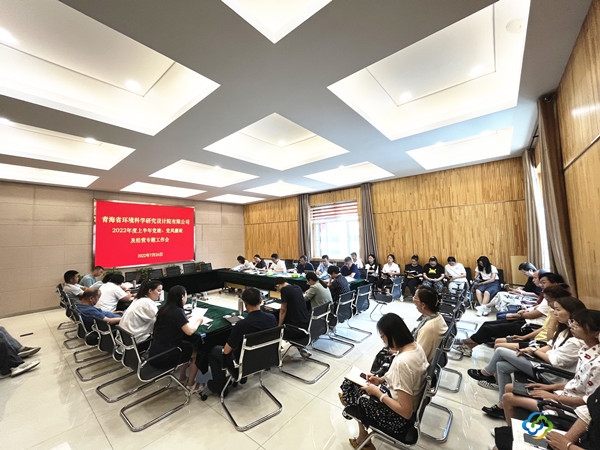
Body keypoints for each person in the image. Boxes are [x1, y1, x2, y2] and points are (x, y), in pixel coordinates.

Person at [469, 296, 586, 420]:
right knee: (501, 365)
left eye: (558, 310)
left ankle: (486, 373)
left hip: (551, 373)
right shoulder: (564, 331)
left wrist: (534, 351)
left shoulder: (576, 341)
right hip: (542, 361)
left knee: (500, 351)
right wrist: (530, 351)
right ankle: (502, 406)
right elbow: (550, 345)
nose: (554, 313)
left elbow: (554, 361)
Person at [339, 313, 428, 449]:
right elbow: (406, 379)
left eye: (382, 336)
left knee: (356, 393)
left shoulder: (402, 362)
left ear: (391, 335)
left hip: (398, 420)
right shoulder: (416, 347)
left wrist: (378, 393)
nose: (383, 341)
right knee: (354, 384)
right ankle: (362, 434)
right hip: (404, 401)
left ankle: (362, 438)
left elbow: (405, 412)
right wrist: (380, 380)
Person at [501, 309, 600, 426]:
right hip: (565, 393)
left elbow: (588, 401)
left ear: (596, 333)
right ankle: (514, 426)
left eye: (578, 325)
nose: (572, 326)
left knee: (508, 398)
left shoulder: (596, 365)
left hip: (573, 408)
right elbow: (576, 382)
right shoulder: (585, 350)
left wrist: (553, 396)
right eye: (573, 322)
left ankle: (512, 433)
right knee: (509, 387)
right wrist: (549, 387)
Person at [452, 272, 562, 356]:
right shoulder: (548, 295)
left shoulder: (553, 298)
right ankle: (468, 345)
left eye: (543, 282)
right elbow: (537, 308)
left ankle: (467, 343)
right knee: (487, 324)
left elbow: (534, 315)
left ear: (555, 283)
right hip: (527, 321)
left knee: (488, 328)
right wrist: (525, 311)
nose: (541, 285)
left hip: (530, 326)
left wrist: (518, 315)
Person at [207, 287, 277, 395]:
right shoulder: (271, 318)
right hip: (266, 359)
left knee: (214, 351)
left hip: (245, 362)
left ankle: (220, 386)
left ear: (245, 303)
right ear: (261, 301)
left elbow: (226, 351)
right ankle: (241, 376)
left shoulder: (242, 325)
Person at [148, 285, 203, 392]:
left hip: (154, 353)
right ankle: (191, 385)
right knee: (197, 353)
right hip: (165, 356)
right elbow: (190, 331)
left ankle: (182, 378)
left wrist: (185, 318)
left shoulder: (164, 309)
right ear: (182, 297)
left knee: (186, 347)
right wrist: (198, 321)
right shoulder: (177, 311)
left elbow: (172, 321)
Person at [412, 286, 448, 362]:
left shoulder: (428, 328)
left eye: (415, 298)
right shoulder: (438, 317)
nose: (413, 300)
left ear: (423, 305)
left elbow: (418, 357)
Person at [274, 278, 310, 344]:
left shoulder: (284, 290)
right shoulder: (297, 287)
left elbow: (283, 310)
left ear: (278, 286)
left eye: (276, 289)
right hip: (305, 323)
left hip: (295, 328)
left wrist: (279, 326)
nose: (277, 291)